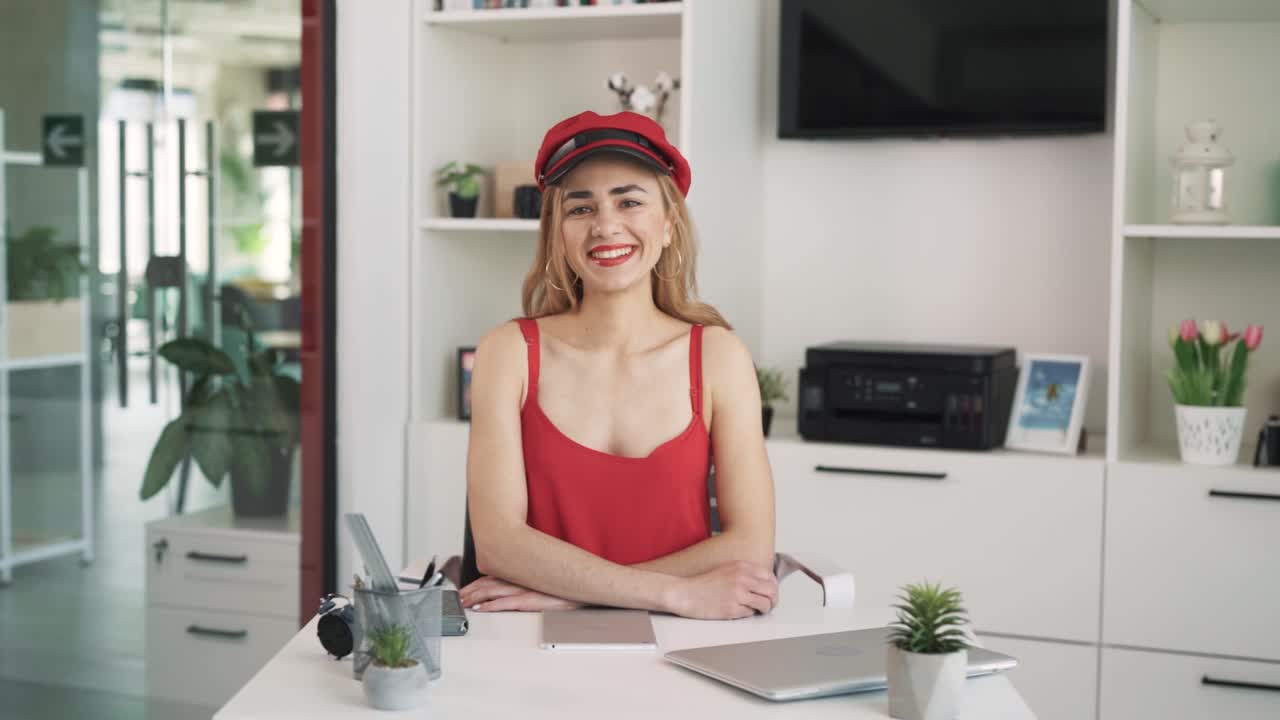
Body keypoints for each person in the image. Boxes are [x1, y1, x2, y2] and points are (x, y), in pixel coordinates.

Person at [458, 110, 777, 620]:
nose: (606, 226)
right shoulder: (508, 352)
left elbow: (751, 547)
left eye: (629, 201)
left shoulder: (718, 356)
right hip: (539, 641)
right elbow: (497, 545)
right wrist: (668, 593)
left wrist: (573, 595)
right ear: (557, 232)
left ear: (669, 225)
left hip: (683, 638)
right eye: (580, 208)